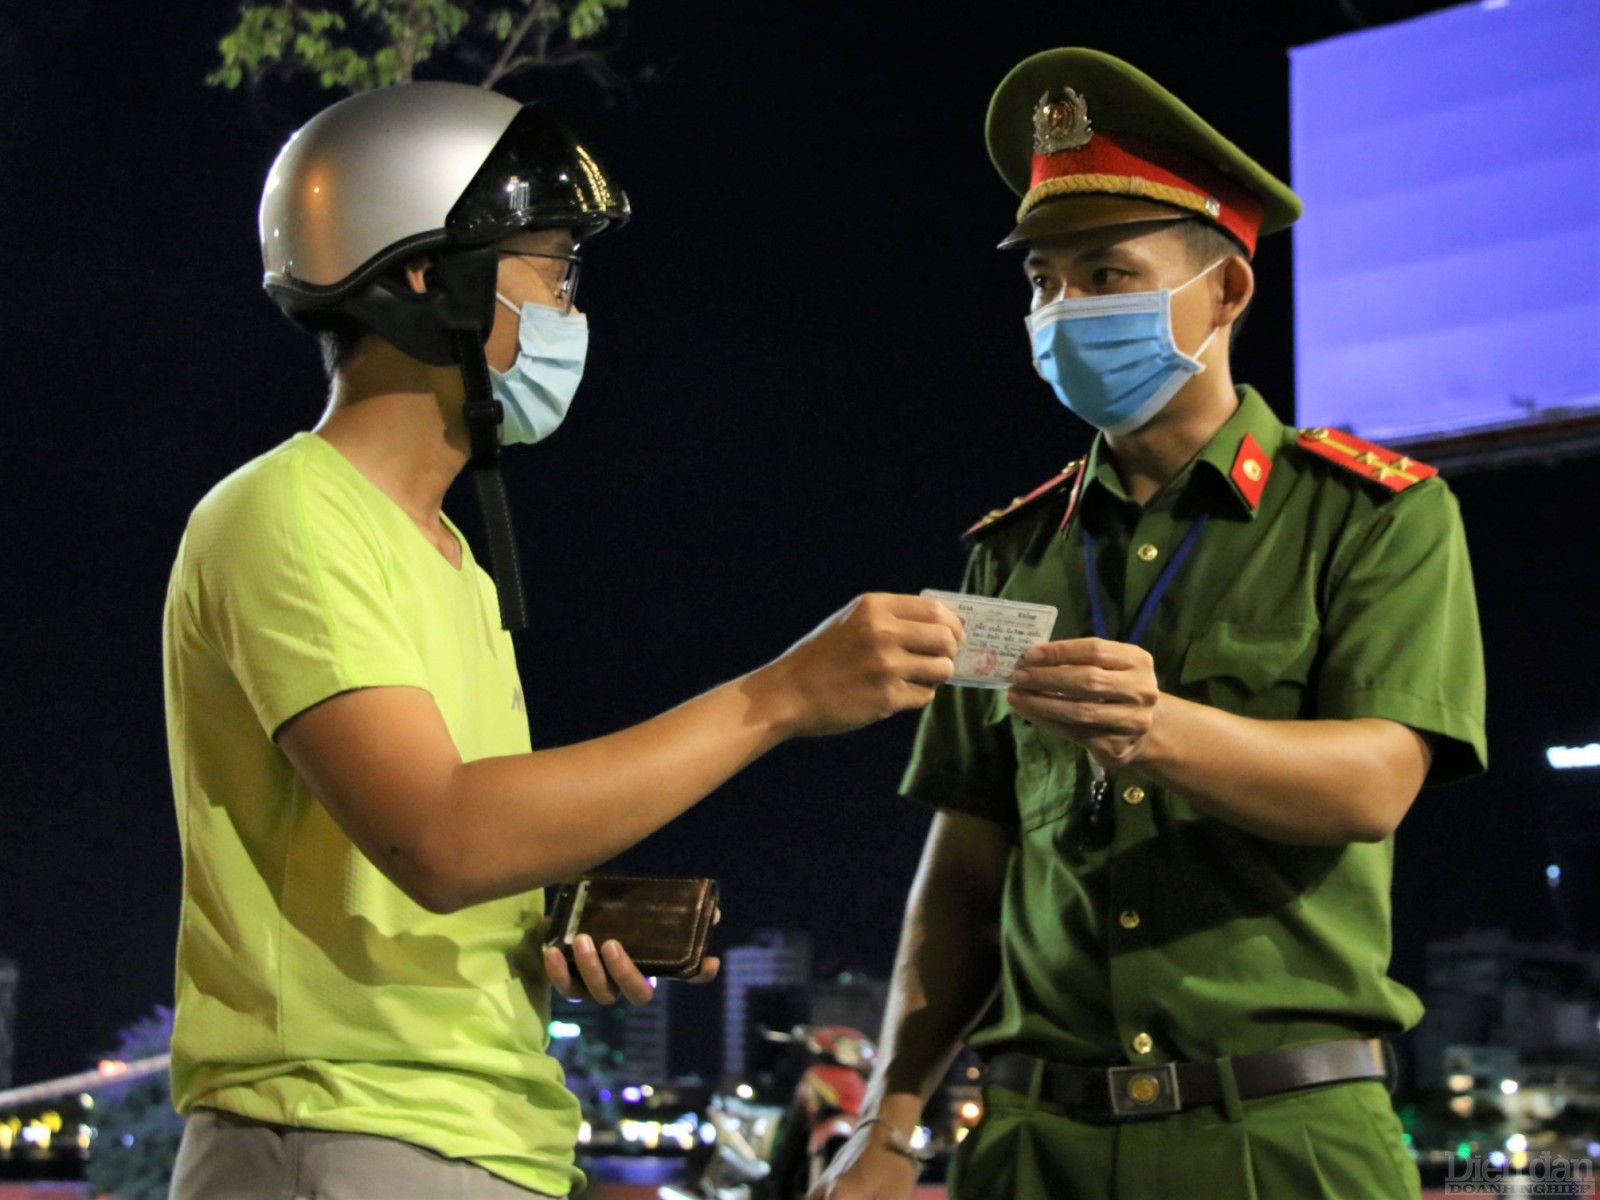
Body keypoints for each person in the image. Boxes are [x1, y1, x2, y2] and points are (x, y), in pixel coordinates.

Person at [162, 82, 963, 1200]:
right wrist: (776, 697)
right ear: (427, 277)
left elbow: (446, 850)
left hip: (478, 1137)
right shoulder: (287, 515)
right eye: (552, 270)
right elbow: (442, 838)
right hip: (344, 1131)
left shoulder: (448, 562)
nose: (570, 311)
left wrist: (545, 927)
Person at [815, 47, 1487, 1200]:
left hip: (1282, 1136)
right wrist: (890, 1118)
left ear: (1224, 293)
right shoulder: (1012, 551)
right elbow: (968, 869)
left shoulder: (1374, 517)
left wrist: (1155, 727)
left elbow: (1375, 781)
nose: (1062, 309)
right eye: (1042, 281)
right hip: (1033, 1142)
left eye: (1107, 273)